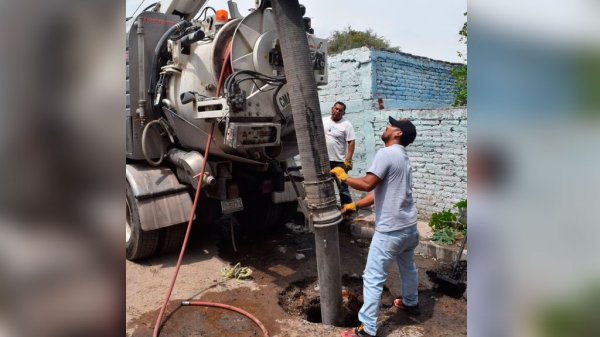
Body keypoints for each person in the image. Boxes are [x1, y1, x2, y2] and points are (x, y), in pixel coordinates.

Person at [332, 117, 419, 337]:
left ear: (397, 133)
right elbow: (377, 192)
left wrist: (345, 177)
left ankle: (366, 329)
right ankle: (410, 302)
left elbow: (367, 184)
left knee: (372, 277)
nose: (387, 127)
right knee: (407, 267)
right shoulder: (403, 157)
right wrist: (355, 205)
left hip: (390, 230)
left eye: (391, 125)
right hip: (409, 228)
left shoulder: (386, 153)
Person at [323, 101, 356, 207]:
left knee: (342, 187)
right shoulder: (323, 121)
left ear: (343, 113)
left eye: (340, 110)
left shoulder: (346, 124)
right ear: (332, 109)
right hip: (324, 161)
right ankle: (329, 207)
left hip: (339, 162)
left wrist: (348, 159)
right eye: (336, 109)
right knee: (325, 185)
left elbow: (351, 141)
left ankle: (347, 210)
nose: (337, 111)